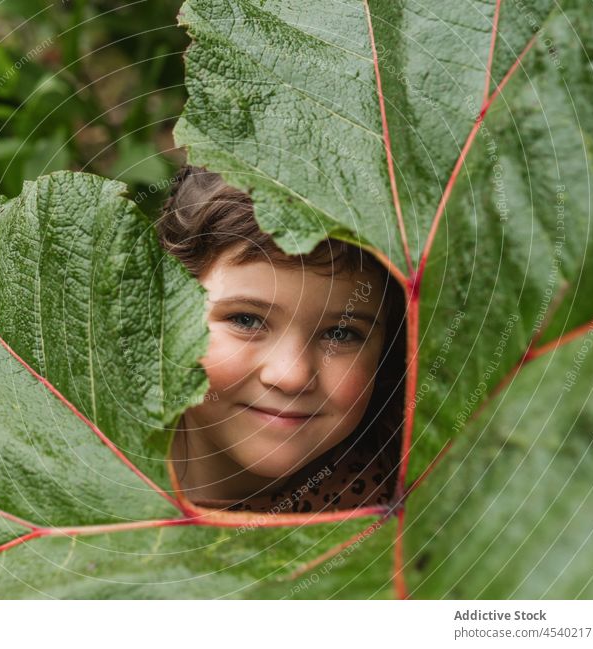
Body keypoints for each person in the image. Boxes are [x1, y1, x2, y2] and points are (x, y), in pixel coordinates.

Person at [156, 165, 406, 513]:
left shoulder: (400, 502)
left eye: (340, 333)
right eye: (246, 320)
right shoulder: (81, 455)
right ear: (165, 311)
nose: (291, 376)